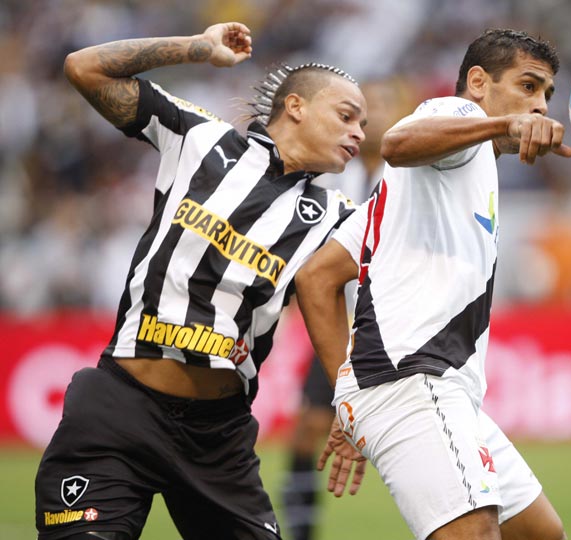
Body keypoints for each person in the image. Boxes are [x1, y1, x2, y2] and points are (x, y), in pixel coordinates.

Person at [34, 22, 368, 540]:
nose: (359, 133)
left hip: (217, 437)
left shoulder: (338, 217)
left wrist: (350, 407)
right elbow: (83, 67)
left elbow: (337, 303)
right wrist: (197, 49)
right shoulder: (199, 137)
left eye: (362, 124)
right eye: (346, 116)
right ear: (296, 106)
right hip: (119, 409)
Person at [294, 29, 571, 540]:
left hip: (439, 389)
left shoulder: (413, 190)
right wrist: (502, 122)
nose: (539, 106)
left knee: (540, 533)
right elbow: (397, 144)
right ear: (478, 82)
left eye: (546, 94)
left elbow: (317, 277)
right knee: (474, 533)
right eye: (528, 86)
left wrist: (348, 401)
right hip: (416, 380)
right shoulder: (458, 115)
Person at [281, 77, 416, 540]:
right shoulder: (334, 174)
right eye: (360, 111)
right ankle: (301, 533)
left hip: (396, 332)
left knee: (411, 444)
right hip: (345, 327)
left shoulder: (412, 178)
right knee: (308, 430)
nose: (371, 119)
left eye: (382, 107)